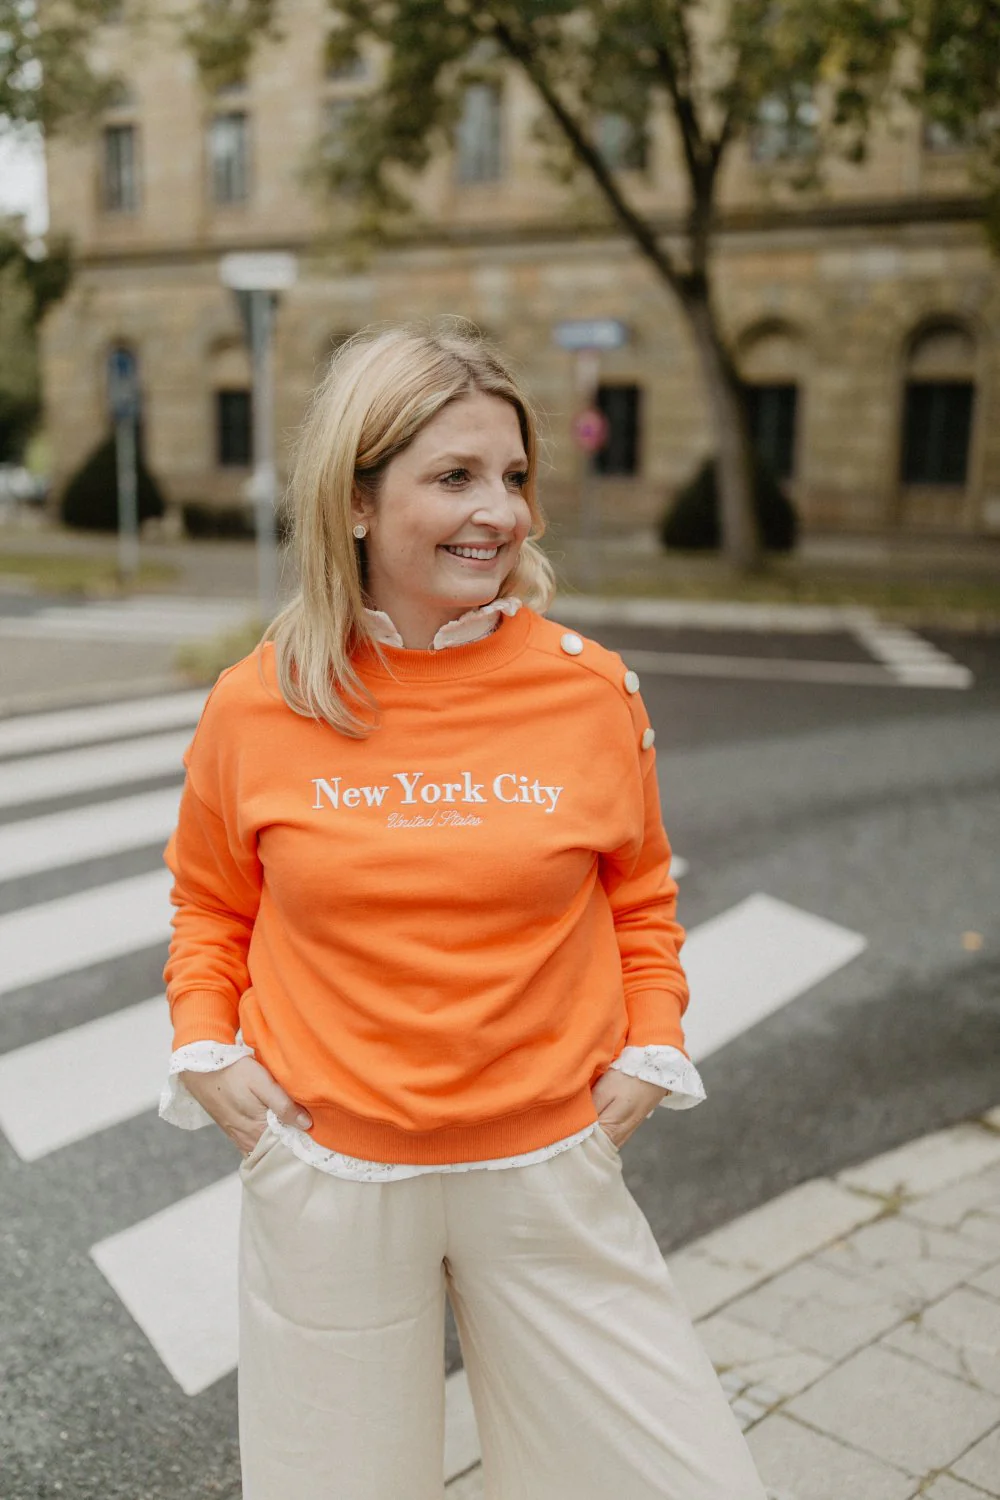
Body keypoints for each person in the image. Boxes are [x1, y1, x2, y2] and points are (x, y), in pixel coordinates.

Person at [159, 323, 768, 1500]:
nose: (503, 512)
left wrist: (652, 1041)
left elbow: (640, 893)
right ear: (353, 501)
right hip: (328, 1176)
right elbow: (210, 901)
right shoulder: (256, 704)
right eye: (455, 478)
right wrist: (203, 1044)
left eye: (515, 476)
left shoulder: (591, 689)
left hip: (548, 1166)